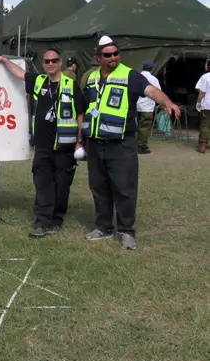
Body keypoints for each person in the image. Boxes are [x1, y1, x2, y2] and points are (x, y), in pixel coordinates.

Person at [81, 36, 180, 251]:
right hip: (95, 143)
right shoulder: (90, 78)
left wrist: (168, 102)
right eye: (108, 55)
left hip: (122, 143)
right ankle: (104, 227)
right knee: (99, 188)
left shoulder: (129, 75)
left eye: (116, 53)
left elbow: (151, 91)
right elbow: (85, 106)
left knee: (125, 189)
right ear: (98, 57)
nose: (113, 58)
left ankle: (126, 231)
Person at [0, 49, 85, 237]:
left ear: (60, 63)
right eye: (47, 61)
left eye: (54, 60)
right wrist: (3, 60)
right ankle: (42, 222)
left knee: (62, 184)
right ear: (43, 63)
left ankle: (56, 220)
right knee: (42, 184)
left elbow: (80, 114)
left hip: (64, 146)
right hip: (42, 146)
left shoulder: (71, 85)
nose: (50, 64)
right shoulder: (39, 81)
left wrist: (79, 142)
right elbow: (19, 74)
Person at [136, 60, 161, 154]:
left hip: (135, 105)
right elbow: (158, 92)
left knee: (134, 125)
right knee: (144, 126)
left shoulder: (136, 76)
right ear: (151, 68)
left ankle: (132, 144)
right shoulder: (153, 79)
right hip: (147, 107)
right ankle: (141, 146)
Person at [194, 59, 210, 153]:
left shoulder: (206, 77)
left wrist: (198, 102)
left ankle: (203, 145)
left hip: (208, 105)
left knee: (205, 125)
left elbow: (202, 92)